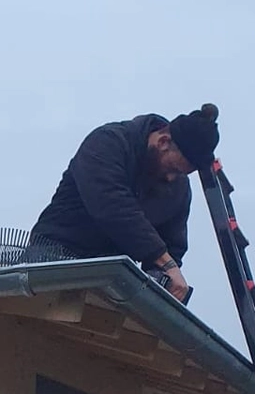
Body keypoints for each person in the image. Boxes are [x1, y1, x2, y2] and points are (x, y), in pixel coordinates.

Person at [30, 104, 220, 303]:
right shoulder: (108, 143)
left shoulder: (178, 188)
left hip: (108, 277)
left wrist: (164, 282)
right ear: (163, 142)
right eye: (173, 169)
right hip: (53, 258)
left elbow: (172, 245)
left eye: (181, 173)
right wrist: (168, 264)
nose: (172, 178)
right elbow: (114, 209)